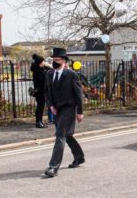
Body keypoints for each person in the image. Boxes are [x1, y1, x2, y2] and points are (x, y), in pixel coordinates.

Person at [44, 48, 85, 178]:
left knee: (60, 136)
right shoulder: (49, 74)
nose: (56, 61)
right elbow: (47, 92)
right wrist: (50, 106)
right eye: (54, 59)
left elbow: (79, 94)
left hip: (68, 109)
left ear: (64, 61)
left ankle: (53, 167)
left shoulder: (71, 74)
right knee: (67, 136)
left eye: (58, 59)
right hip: (56, 110)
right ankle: (79, 157)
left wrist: (80, 111)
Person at [31, 54, 50, 128]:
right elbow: (41, 79)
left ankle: (40, 121)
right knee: (40, 107)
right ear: (39, 63)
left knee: (41, 107)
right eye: (42, 61)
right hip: (39, 91)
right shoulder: (37, 70)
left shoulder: (40, 68)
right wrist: (46, 73)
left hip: (42, 90)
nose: (44, 63)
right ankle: (38, 122)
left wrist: (48, 67)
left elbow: (50, 69)